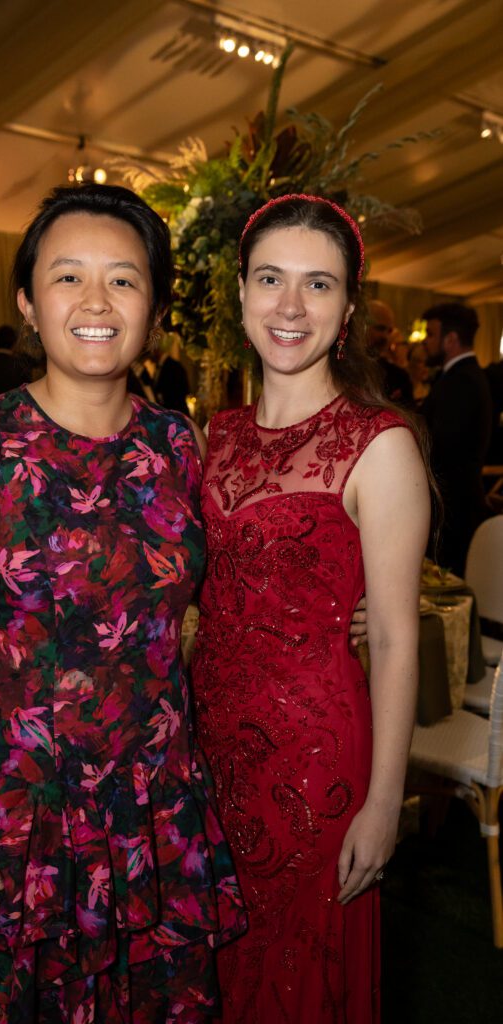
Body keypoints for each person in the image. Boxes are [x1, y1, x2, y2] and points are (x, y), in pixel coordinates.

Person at [0, 184, 247, 1023]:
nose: (95, 301)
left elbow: (207, 601)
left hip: (151, 808)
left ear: (154, 309)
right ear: (27, 300)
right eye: (67, 276)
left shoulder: (175, 444)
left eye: (122, 280)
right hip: (19, 806)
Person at [191, 195, 430, 1022]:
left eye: (317, 285)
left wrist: (381, 801)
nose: (289, 308)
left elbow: (398, 637)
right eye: (270, 280)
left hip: (313, 762)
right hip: (204, 748)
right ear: (241, 292)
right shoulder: (213, 434)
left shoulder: (379, 444)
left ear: (348, 306)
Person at [421, 302, 491, 575]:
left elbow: (440, 449)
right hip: (454, 508)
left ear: (450, 340)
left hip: (454, 513)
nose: (425, 342)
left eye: (430, 335)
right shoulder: (461, 377)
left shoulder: (462, 382)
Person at [365, 298, 413, 407]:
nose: (386, 337)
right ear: (360, 326)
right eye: (380, 328)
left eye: (389, 331)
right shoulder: (339, 367)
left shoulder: (398, 377)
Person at [407, 341, 430, 408]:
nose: (426, 368)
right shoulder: (403, 389)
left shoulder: (430, 390)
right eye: (420, 362)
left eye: (427, 362)